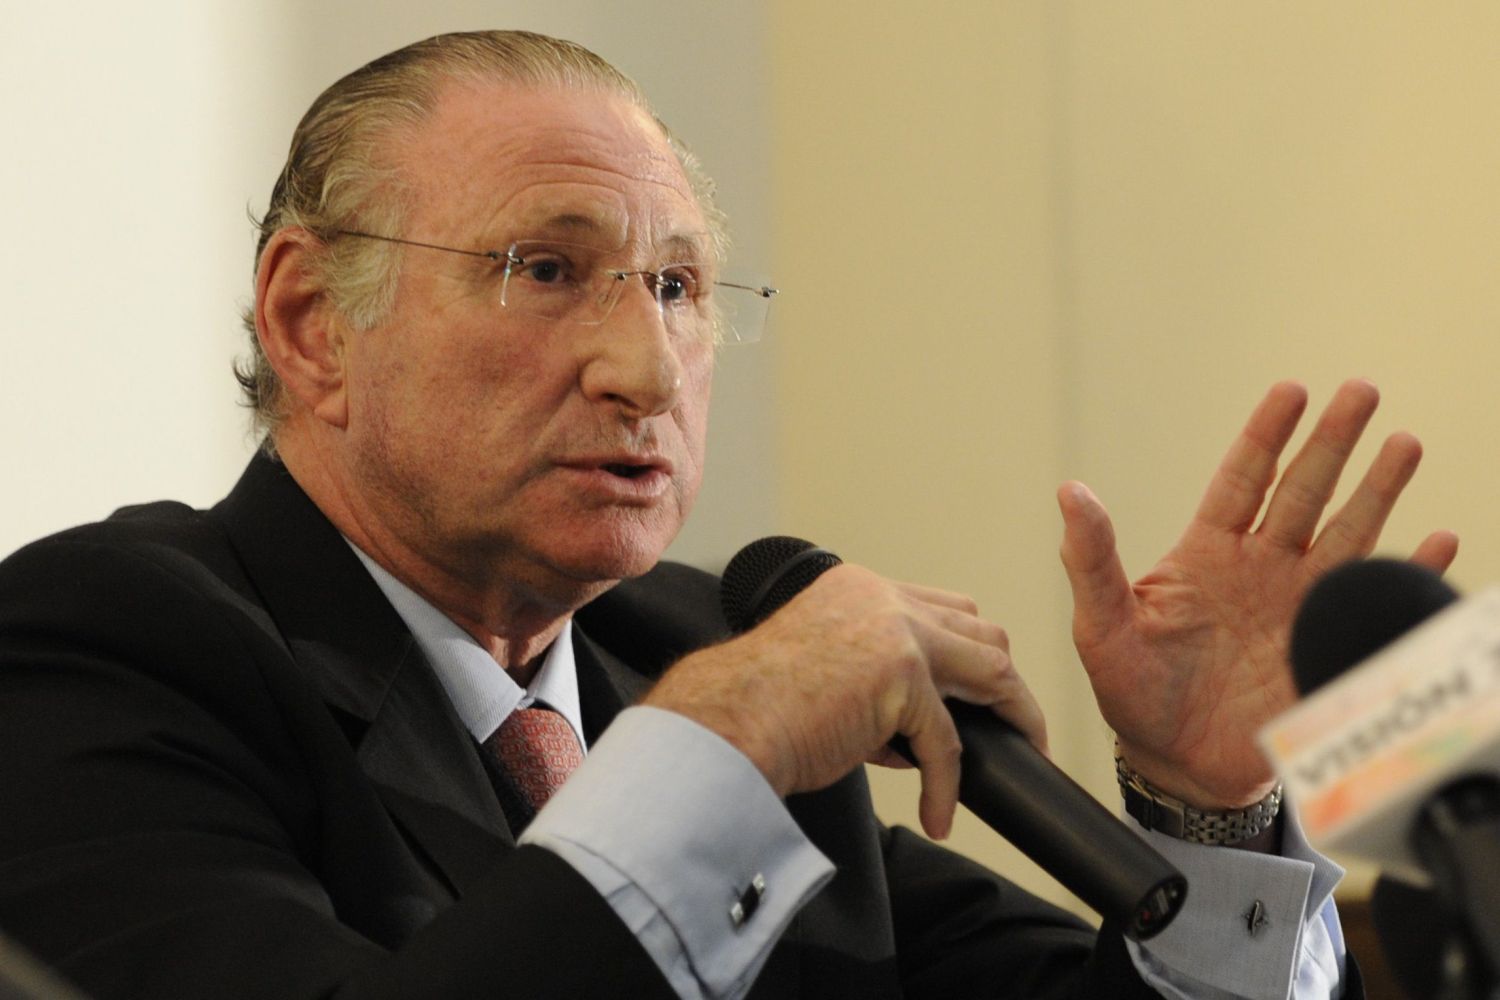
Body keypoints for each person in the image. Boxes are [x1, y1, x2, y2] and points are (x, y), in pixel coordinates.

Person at [0, 29, 1457, 1000]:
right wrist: (732, 731)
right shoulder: (104, 647)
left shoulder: (680, 655)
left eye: (679, 288)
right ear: (313, 321)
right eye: (544, 269)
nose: (645, 371)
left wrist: (1208, 813)